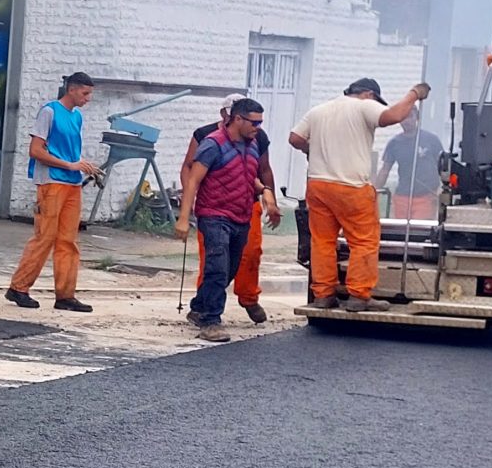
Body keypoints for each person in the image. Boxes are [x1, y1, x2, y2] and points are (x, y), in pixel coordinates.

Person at [291, 76, 432, 309]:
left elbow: (295, 138)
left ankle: (323, 295)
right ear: (369, 94)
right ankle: (358, 296)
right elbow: (393, 116)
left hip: (318, 185)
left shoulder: (319, 110)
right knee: (364, 241)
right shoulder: (364, 105)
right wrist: (414, 94)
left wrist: (312, 150)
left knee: (323, 242)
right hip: (352, 187)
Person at [6, 71, 102, 313]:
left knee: (68, 241)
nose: (87, 98)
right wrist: (71, 164)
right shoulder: (49, 111)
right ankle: (19, 287)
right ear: (72, 89)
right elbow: (36, 150)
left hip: (71, 182)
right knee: (44, 236)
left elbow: (69, 151)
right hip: (51, 181)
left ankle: (65, 295)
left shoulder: (76, 117)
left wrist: (82, 164)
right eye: (85, 93)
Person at [175, 98, 270, 339]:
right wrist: (184, 218)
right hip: (214, 215)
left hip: (241, 215)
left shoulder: (253, 144)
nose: (258, 128)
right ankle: (211, 321)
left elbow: (249, 175)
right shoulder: (212, 144)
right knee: (217, 267)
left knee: (229, 268)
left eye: (260, 123)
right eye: (254, 122)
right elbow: (193, 180)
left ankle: (199, 307)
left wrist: (265, 191)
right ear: (237, 119)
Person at [376, 110, 446, 222]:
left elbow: (444, 167)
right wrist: (374, 191)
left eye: (410, 117)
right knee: (400, 232)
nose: (406, 121)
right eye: (403, 117)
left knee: (419, 231)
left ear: (416, 118)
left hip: (426, 196)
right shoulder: (394, 143)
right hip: (402, 197)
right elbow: (385, 170)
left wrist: (442, 189)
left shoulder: (431, 140)